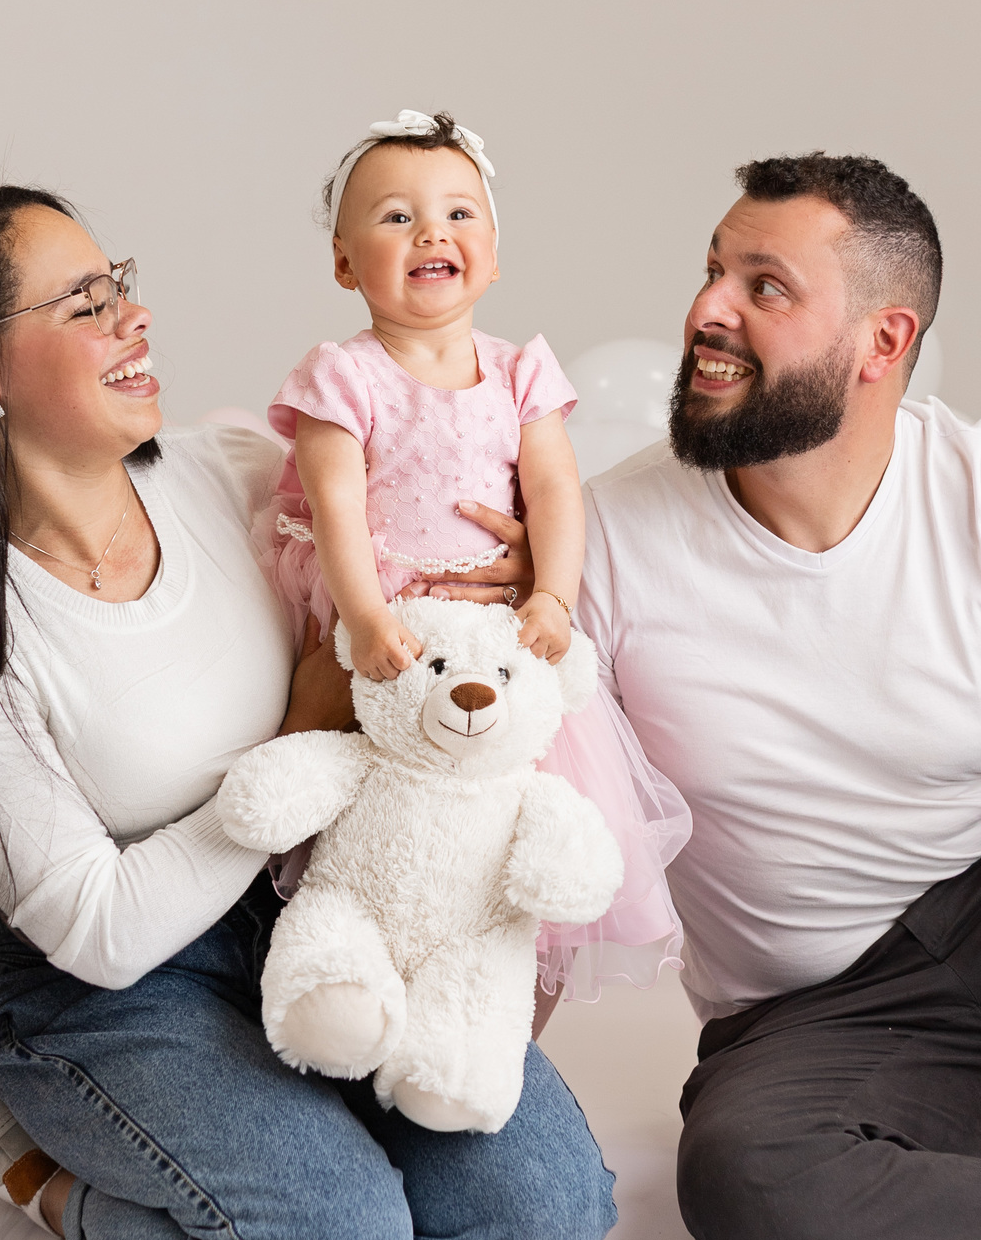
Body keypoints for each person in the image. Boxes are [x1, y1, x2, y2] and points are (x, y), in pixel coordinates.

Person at [0, 185, 616, 1240]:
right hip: (110, 988)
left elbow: (418, 529)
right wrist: (296, 737)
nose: (134, 315)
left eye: (120, 281)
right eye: (85, 303)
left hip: (321, 910)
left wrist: (506, 575)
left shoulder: (233, 471)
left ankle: (287, 1151)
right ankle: (43, 1172)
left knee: (543, 1221)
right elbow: (96, 928)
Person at [577, 151, 981, 1240]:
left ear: (884, 341)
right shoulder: (604, 542)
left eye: (764, 286)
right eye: (712, 271)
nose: (707, 311)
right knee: (754, 1187)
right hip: (822, 1013)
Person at [258, 109, 690, 997]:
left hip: (494, 635)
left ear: (493, 255)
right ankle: (331, 963)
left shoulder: (520, 371)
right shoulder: (343, 376)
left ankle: (501, 1015)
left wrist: (553, 597)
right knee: (358, 794)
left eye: (459, 214)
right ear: (344, 263)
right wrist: (365, 617)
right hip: (389, 620)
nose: (431, 232)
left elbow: (556, 491)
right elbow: (337, 506)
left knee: (514, 829)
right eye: (396, 217)